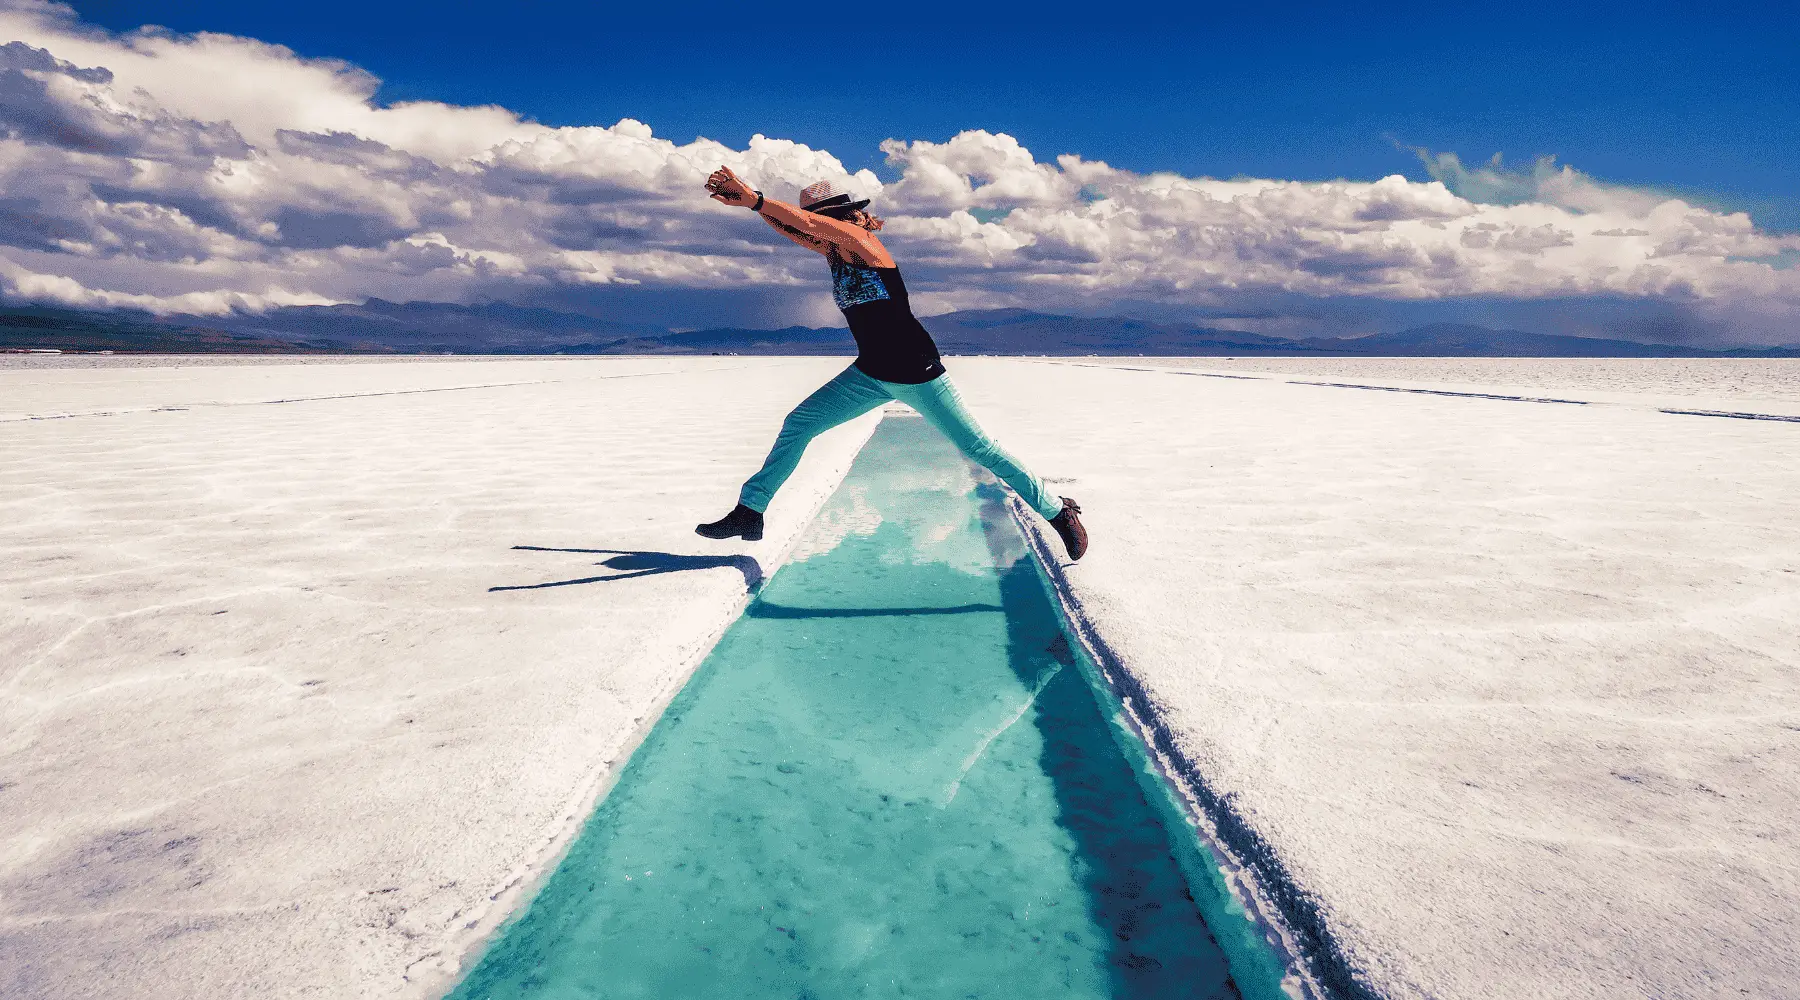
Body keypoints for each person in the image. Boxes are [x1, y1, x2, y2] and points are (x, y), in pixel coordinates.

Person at [694, 166, 1088, 561]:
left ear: (837, 216)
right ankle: (750, 512)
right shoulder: (834, 253)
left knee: (979, 448)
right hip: (872, 372)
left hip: (916, 369)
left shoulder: (862, 242)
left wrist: (757, 200)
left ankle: (1057, 511)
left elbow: (806, 223)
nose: (812, 231)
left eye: (820, 221)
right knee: (799, 424)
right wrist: (751, 203)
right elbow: (793, 228)